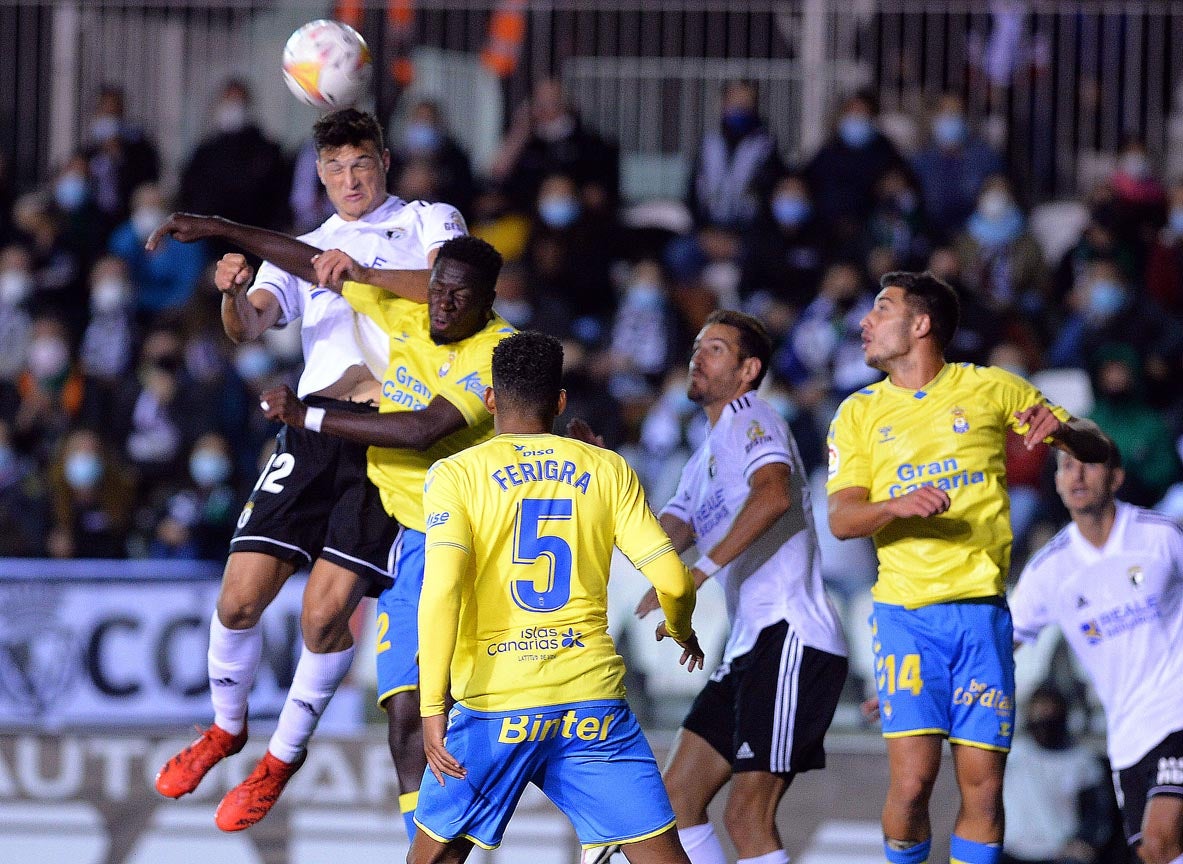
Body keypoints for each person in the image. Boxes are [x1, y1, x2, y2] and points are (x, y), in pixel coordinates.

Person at [149, 108, 468, 833]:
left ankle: (280, 759)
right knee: (237, 602)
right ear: (319, 174)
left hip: (392, 434)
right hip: (310, 426)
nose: (349, 180)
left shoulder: (426, 220)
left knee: (325, 617)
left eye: (361, 165)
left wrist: (363, 273)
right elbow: (254, 321)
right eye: (335, 169)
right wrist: (232, 293)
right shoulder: (304, 246)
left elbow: (454, 290)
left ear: (383, 162)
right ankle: (226, 730)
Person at [826, 270, 1110, 864]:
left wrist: (1066, 429)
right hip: (906, 616)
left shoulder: (990, 388)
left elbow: (1089, 443)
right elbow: (842, 517)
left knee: (982, 785)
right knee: (913, 783)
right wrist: (894, 505)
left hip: (981, 616)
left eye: (882, 308)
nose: (865, 322)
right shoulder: (858, 412)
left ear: (921, 324)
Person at [255, 234, 515, 839]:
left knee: (469, 718)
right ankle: (421, 850)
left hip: (469, 543)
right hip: (410, 542)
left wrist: (308, 416)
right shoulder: (409, 313)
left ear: (488, 301)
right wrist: (221, 226)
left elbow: (423, 429)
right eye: (438, 290)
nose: (444, 305)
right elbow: (321, 267)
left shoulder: (500, 352)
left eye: (460, 296)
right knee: (404, 717)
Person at [412, 330, 704, 864]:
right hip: (590, 701)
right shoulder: (608, 467)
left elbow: (443, 591)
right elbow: (675, 580)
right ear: (561, 401)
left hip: (496, 702)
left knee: (434, 859)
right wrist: (681, 629)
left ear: (491, 398)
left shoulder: (455, 474)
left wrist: (432, 707)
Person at [621, 309, 848, 864]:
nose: (698, 356)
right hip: (751, 644)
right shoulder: (704, 457)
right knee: (676, 801)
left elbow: (771, 495)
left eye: (716, 348)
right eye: (698, 346)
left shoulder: (755, 417)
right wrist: (601, 471)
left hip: (793, 633)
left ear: (748, 370)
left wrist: (699, 574)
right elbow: (668, 532)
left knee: (748, 815)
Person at [1009, 446, 1183, 864]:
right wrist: (922, 689)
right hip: (1127, 733)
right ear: (1056, 483)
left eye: (1089, 465)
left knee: (1160, 839)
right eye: (1067, 467)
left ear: (1116, 478)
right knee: (1153, 853)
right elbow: (999, 642)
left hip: (1176, 711)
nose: (1077, 476)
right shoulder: (1050, 569)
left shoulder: (1161, 535)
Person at [1001, 685, 1115, 864]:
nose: (1044, 719)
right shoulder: (1012, 755)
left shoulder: (1082, 761)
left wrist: (1085, 842)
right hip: (1010, 854)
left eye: (1050, 712)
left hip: (1060, 856)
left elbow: (1098, 813)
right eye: (1038, 712)